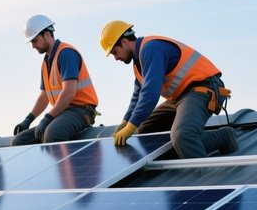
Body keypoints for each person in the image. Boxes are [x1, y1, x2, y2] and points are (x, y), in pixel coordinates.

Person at [99, 20, 237, 158]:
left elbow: (150, 94)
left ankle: (223, 139)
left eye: (115, 52)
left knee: (183, 135)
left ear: (124, 42)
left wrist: (131, 126)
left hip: (204, 88)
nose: (116, 58)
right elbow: (138, 96)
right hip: (180, 97)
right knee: (146, 133)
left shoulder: (151, 49)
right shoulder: (138, 63)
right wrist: (125, 122)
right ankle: (185, 147)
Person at [12, 15, 99, 146]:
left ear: (47, 34)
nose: (33, 46)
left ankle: (70, 160)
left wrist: (48, 118)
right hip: (61, 113)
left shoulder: (66, 54)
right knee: (19, 141)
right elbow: (44, 96)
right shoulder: (46, 62)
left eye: (34, 40)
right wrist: (28, 119)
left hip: (81, 110)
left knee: (53, 134)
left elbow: (68, 92)